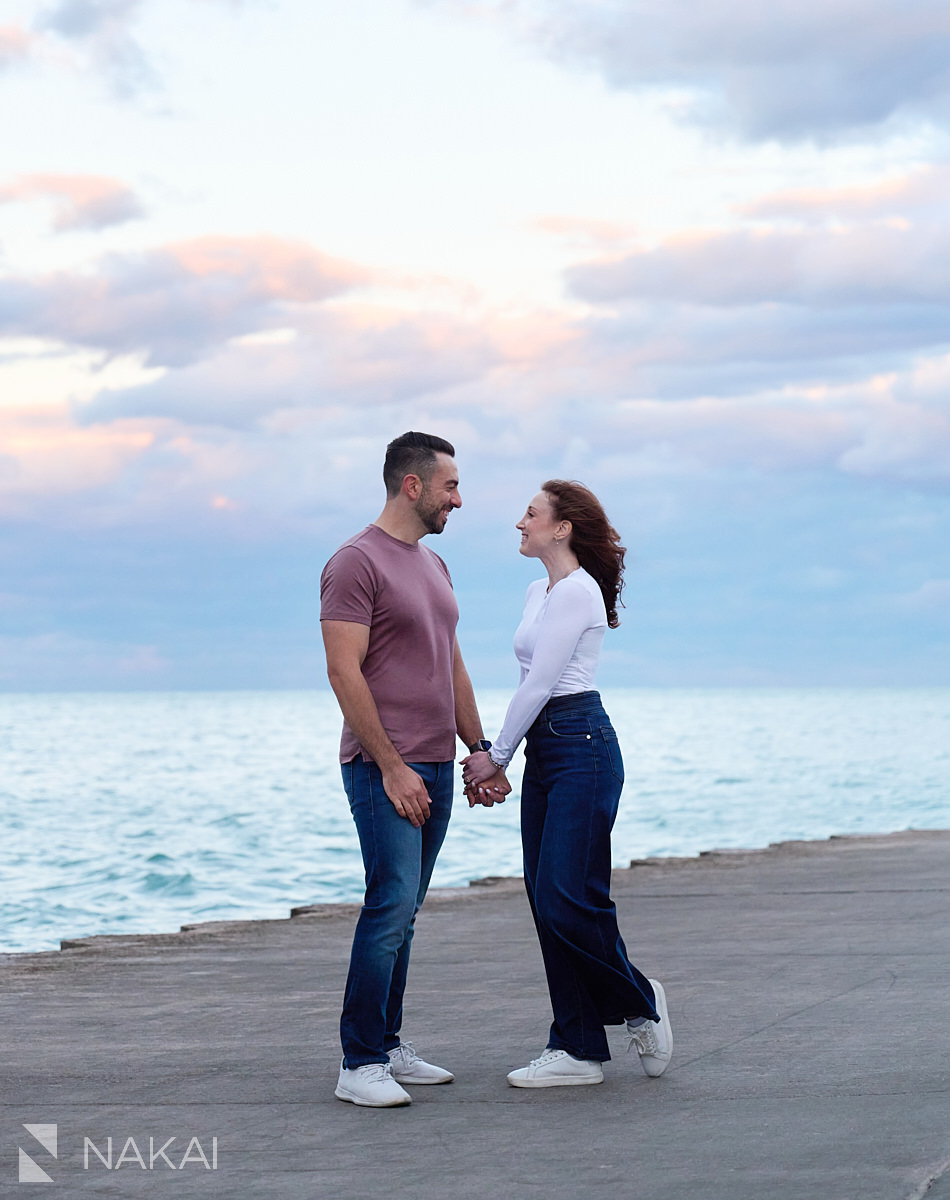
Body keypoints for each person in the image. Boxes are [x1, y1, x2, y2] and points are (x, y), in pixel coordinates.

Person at [461, 479, 673, 1088]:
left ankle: (638, 1001)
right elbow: (530, 682)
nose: (518, 523)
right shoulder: (537, 589)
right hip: (549, 749)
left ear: (562, 528)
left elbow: (542, 681)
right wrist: (507, 754)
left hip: (582, 742)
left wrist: (493, 756)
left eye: (530, 514)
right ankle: (577, 1048)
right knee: (544, 895)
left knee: (568, 896)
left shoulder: (579, 591)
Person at [320, 431, 509, 1108]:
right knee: (390, 902)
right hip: (384, 768)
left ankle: (389, 1043)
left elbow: (449, 663)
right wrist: (392, 766)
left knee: (407, 911)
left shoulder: (435, 567)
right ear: (413, 485)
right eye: (450, 486)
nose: (458, 499)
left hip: (434, 761)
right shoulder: (355, 562)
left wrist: (478, 747)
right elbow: (344, 670)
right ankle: (359, 1061)